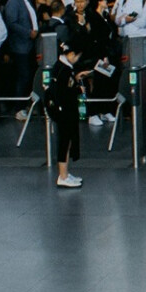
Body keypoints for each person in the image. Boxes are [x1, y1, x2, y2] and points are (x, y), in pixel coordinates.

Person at [48, 41, 84, 188]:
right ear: (71, 54)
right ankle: (62, 176)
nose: (77, 60)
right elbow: (64, 92)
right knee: (64, 142)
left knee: (67, 141)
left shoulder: (61, 67)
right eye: (77, 57)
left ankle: (65, 173)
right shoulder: (64, 70)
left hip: (63, 109)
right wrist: (78, 89)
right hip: (64, 111)